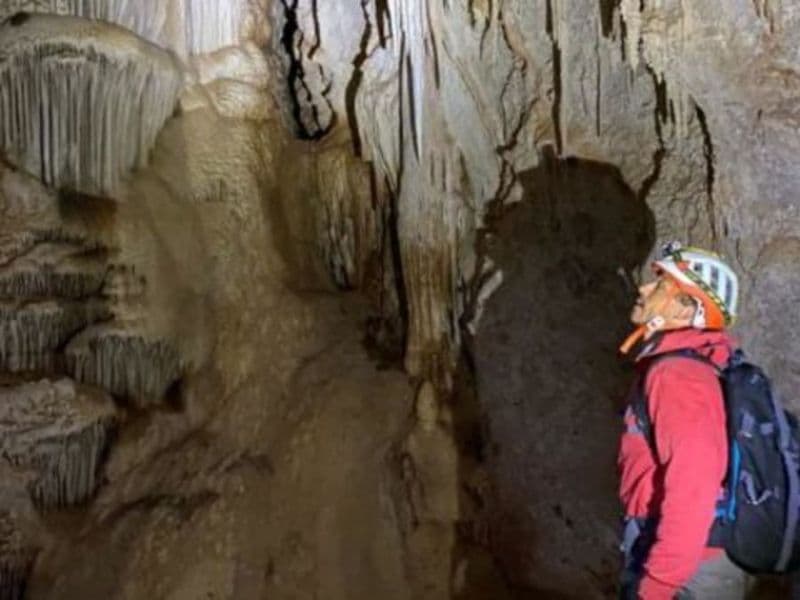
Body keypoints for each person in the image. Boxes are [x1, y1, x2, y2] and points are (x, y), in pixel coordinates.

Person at [617, 242, 748, 599]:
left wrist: (658, 585)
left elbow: (693, 486)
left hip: (687, 570)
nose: (644, 289)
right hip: (687, 558)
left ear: (686, 307)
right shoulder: (690, 366)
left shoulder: (678, 377)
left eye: (660, 286)